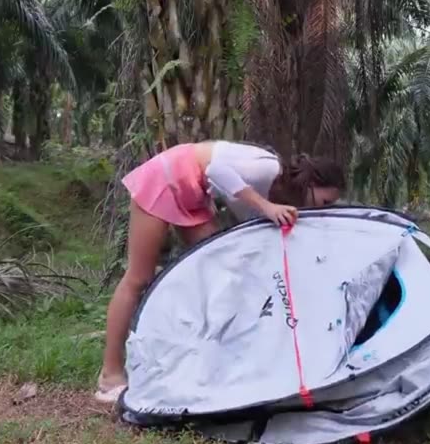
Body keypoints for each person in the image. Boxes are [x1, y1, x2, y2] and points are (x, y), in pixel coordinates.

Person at [94, 141, 346, 403]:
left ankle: (206, 362)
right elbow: (216, 171)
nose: (322, 209)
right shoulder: (268, 168)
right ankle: (109, 375)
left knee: (222, 270)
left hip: (193, 196)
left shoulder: (276, 190)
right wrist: (267, 207)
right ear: (312, 184)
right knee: (138, 279)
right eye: (325, 201)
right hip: (166, 179)